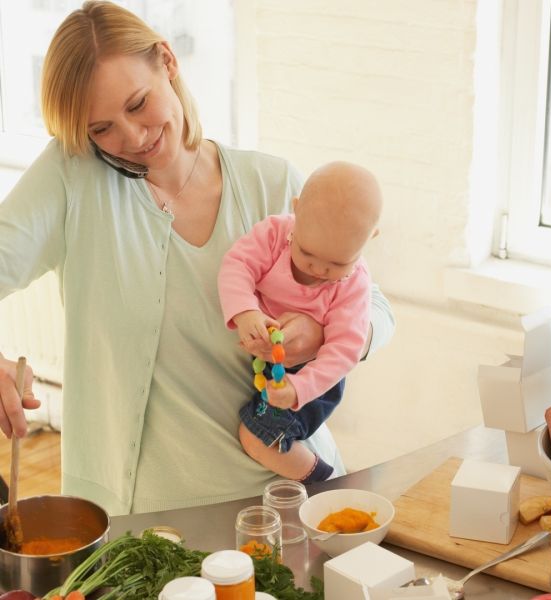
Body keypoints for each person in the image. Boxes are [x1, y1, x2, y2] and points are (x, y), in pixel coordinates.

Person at [0, 0, 395, 516]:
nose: (133, 137)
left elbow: (378, 311)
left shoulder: (271, 184)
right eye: (102, 129)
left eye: (139, 104)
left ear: (167, 61)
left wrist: (326, 336)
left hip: (288, 498)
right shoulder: (72, 178)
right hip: (145, 523)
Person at [218, 161, 382, 483]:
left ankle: (323, 481)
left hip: (315, 377)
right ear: (296, 212)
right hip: (274, 366)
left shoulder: (354, 284)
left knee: (257, 437)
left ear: (369, 239)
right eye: (307, 253)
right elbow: (237, 266)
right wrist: (245, 311)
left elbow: (344, 351)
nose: (319, 270)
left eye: (337, 263)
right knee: (260, 434)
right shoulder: (274, 235)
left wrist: (298, 387)